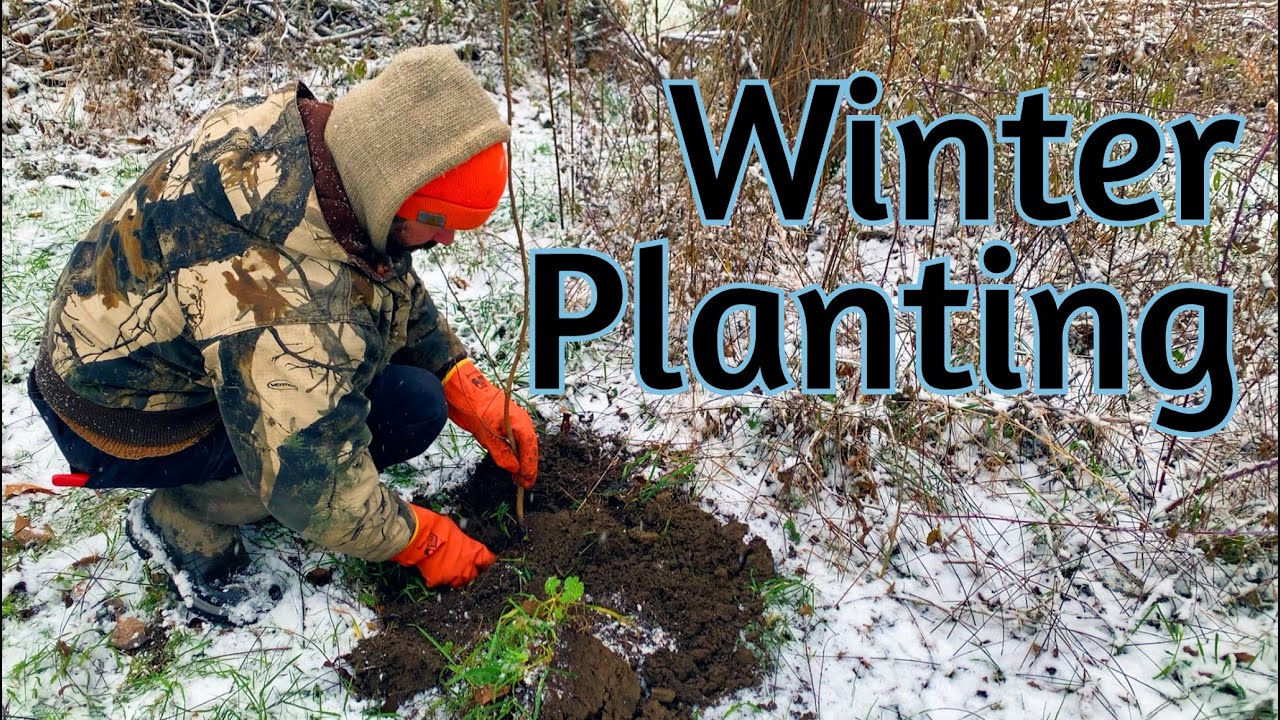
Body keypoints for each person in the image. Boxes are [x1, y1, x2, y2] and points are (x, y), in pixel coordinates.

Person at [27, 46, 539, 625]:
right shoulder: (280, 296)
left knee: (418, 399)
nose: (445, 243)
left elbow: (378, 270)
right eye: (440, 224)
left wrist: (459, 377)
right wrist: (420, 539)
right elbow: (311, 478)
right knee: (359, 433)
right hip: (122, 416)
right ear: (394, 191)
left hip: (132, 344)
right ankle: (185, 518)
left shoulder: (317, 152)